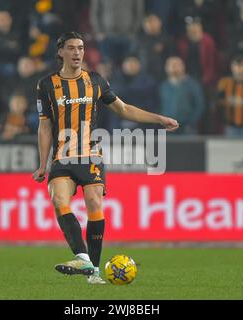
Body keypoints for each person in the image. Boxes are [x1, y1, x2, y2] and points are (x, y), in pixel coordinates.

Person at [31, 32, 178, 284]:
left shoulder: (96, 81)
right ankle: (84, 259)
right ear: (60, 52)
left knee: (94, 203)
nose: (77, 52)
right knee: (59, 200)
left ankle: (93, 271)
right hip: (62, 157)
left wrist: (159, 119)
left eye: (80, 48)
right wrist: (42, 163)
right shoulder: (46, 85)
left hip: (90, 155)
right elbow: (45, 127)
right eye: (71, 48)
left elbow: (124, 109)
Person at [159, 57, 205, 135]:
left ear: (183, 66)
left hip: (187, 128)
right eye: (170, 65)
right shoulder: (163, 87)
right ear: (166, 68)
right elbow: (159, 105)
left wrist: (191, 122)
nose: (173, 67)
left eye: (176, 65)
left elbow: (199, 105)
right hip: (168, 128)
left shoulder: (192, 85)